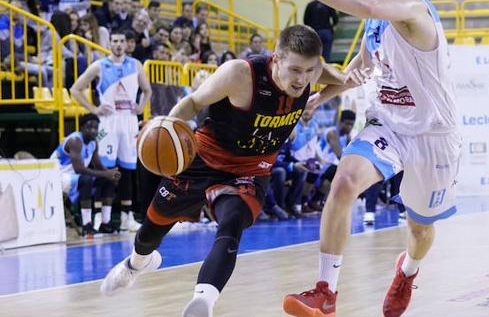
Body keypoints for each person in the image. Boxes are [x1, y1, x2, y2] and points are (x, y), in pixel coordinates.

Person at [99, 25, 347, 317]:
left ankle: (203, 302)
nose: (302, 79)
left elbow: (345, 78)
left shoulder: (314, 71)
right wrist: (167, 126)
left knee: (232, 223)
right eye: (295, 70)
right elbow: (193, 101)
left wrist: (322, 96)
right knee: (151, 231)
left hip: (252, 168)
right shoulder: (240, 74)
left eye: (309, 71)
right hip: (205, 157)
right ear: (276, 58)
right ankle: (136, 264)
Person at [274, 0, 461, 316]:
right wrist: (321, 96)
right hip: (388, 125)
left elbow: (363, 5)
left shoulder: (412, 9)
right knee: (343, 183)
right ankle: (326, 291)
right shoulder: (376, 26)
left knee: (420, 229)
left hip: (434, 135)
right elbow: (360, 69)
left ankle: (407, 271)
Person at [70, 30, 152, 232]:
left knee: (128, 170)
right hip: (107, 122)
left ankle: (127, 217)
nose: (118, 44)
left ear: (127, 44)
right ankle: (98, 217)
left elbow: (148, 90)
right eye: (114, 41)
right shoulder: (99, 65)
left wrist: (141, 107)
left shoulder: (135, 65)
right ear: (110, 43)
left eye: (121, 41)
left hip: (129, 121)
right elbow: (75, 89)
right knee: (103, 168)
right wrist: (94, 109)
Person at [50, 114, 121, 237]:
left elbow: (98, 165)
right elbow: (79, 169)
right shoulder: (75, 141)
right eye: (89, 127)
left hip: (73, 177)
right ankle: (86, 225)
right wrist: (107, 173)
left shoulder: (93, 143)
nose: (93, 130)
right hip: (56, 176)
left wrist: (111, 174)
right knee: (86, 180)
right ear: (82, 128)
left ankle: (105, 222)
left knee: (107, 180)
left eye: (95, 128)